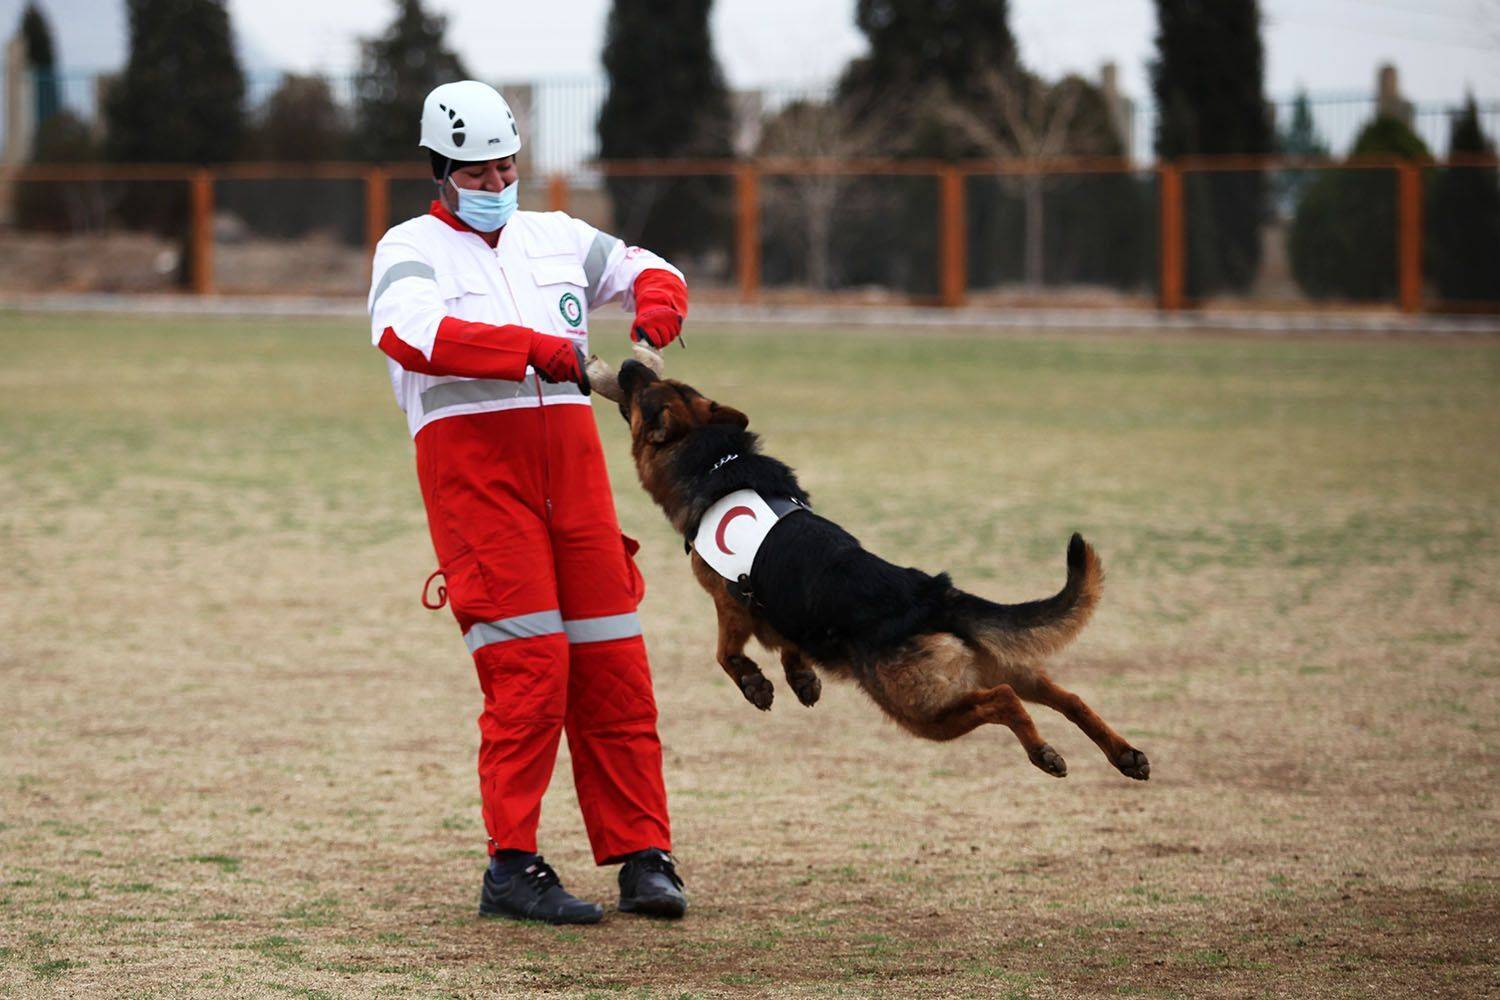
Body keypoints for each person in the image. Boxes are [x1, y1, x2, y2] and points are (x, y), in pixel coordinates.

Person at [367, 80, 688, 925]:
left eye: (506, 165)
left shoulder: (556, 236)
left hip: (576, 483)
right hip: (480, 490)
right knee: (529, 671)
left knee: (615, 667)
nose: (495, 181)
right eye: (476, 172)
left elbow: (647, 269)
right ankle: (511, 865)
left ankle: (645, 856)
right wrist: (543, 353)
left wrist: (653, 317)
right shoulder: (408, 248)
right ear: (441, 171)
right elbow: (414, 335)